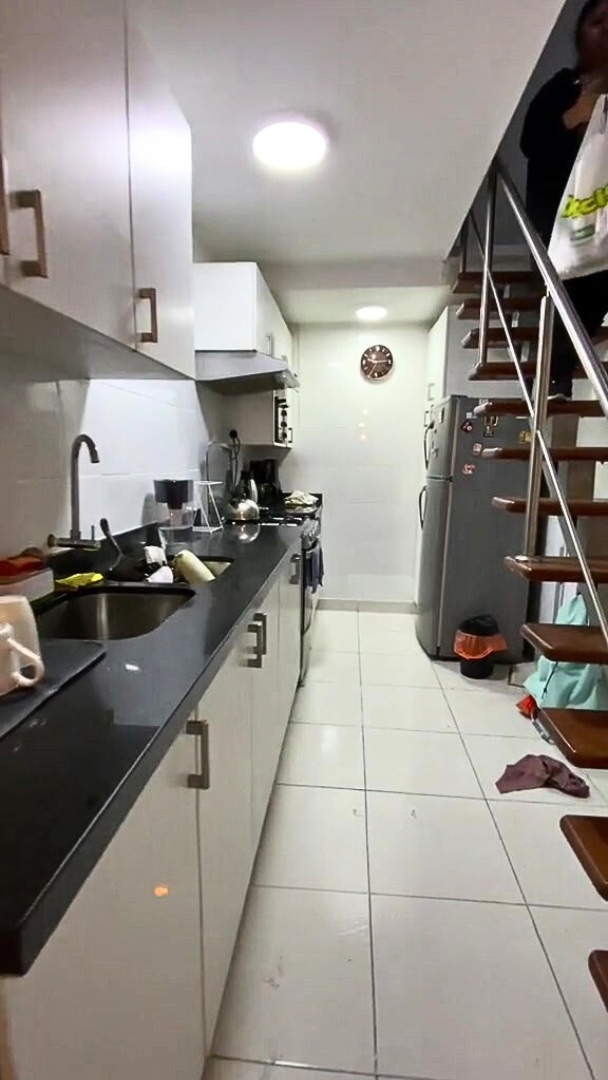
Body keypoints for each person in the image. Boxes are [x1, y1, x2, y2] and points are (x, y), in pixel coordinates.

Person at [521, 0, 608, 399]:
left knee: (595, 285)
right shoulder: (561, 87)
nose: (606, 30)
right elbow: (530, 145)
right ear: (580, 32)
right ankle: (553, 376)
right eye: (597, 21)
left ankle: (557, 372)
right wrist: (577, 113)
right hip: (559, 217)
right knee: (568, 288)